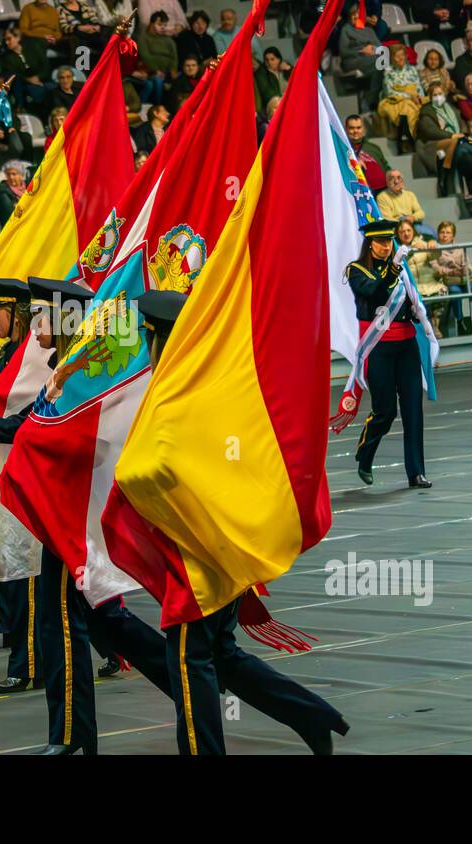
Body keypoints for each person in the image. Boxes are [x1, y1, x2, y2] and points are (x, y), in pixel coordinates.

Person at [95, 289, 348, 756]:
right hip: (221, 547)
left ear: (156, 338)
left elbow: (157, 467)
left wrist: (134, 481)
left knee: (190, 664)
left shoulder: (175, 393)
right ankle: (311, 716)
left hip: (197, 559)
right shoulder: (203, 382)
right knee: (222, 656)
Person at [0, 278, 169, 739]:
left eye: (44, 317)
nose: (36, 325)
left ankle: (82, 730)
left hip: (77, 515)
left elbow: (86, 438)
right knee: (89, 623)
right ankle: (76, 732)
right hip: (56, 515)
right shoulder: (62, 371)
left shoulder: (84, 376)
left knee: (78, 623)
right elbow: (28, 426)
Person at [346, 220, 432, 489]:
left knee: (413, 410)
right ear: (369, 244)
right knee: (385, 411)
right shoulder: (356, 270)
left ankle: (416, 472)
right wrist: (393, 269)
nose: (386, 246)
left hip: (406, 345)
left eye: (389, 241)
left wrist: (421, 317)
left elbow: (409, 301)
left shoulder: (400, 268)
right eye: (381, 242)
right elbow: (374, 293)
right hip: (378, 346)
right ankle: (365, 455)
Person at [430, 221, 472, 336]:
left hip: (463, 279)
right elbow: (435, 267)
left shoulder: (460, 249)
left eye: (448, 233)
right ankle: (459, 320)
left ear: (453, 236)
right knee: (455, 291)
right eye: (442, 232)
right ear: (438, 234)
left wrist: (466, 269)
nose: (445, 235)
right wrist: (451, 271)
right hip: (449, 281)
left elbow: (468, 266)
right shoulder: (435, 249)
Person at [379, 43, 425, 151]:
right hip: (395, 100)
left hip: (415, 99)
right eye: (397, 56)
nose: (400, 58)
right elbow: (390, 92)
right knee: (407, 110)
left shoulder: (412, 70)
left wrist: (420, 97)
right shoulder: (388, 72)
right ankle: (411, 142)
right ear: (392, 57)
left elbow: (419, 87)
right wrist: (409, 96)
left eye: (402, 55)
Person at [56, 0, 106, 66]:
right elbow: (64, 27)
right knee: (80, 42)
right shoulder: (60, 8)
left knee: (104, 40)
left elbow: (94, 19)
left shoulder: (84, 5)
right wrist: (80, 28)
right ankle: (83, 71)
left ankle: (104, 69)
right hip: (75, 35)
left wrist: (96, 26)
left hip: (91, 33)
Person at [136, 10, 178, 101]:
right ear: (151, 24)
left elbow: (174, 57)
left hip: (167, 72)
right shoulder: (143, 38)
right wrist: (156, 70)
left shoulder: (169, 40)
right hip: (150, 71)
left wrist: (172, 69)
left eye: (164, 25)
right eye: (159, 24)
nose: (162, 27)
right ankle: (158, 107)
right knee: (157, 80)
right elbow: (145, 56)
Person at [377, 169, 432, 236]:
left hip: (412, 223)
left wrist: (413, 217)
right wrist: (403, 222)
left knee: (432, 233)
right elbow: (386, 219)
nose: (396, 181)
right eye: (392, 178)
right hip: (396, 226)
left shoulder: (410, 194)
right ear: (387, 182)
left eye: (399, 177)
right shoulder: (382, 197)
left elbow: (421, 213)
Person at [345, 115, 390, 194]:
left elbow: (386, 167)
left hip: (383, 192)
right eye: (351, 128)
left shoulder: (374, 147)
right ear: (346, 129)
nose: (355, 131)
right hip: (358, 193)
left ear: (363, 129)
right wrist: (353, 165)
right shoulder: (341, 149)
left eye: (358, 128)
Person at [254, 46, 291, 116]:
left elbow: (298, 82)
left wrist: (289, 69)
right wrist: (282, 98)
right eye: (267, 60)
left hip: (290, 100)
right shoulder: (263, 73)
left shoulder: (285, 68)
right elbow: (266, 91)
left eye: (272, 59)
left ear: (279, 59)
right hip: (275, 102)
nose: (269, 62)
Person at [0, 163, 27, 231]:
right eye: (8, 175)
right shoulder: (3, 192)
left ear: (21, 175)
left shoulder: (28, 187)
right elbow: (10, 217)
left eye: (14, 174)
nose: (11, 177)